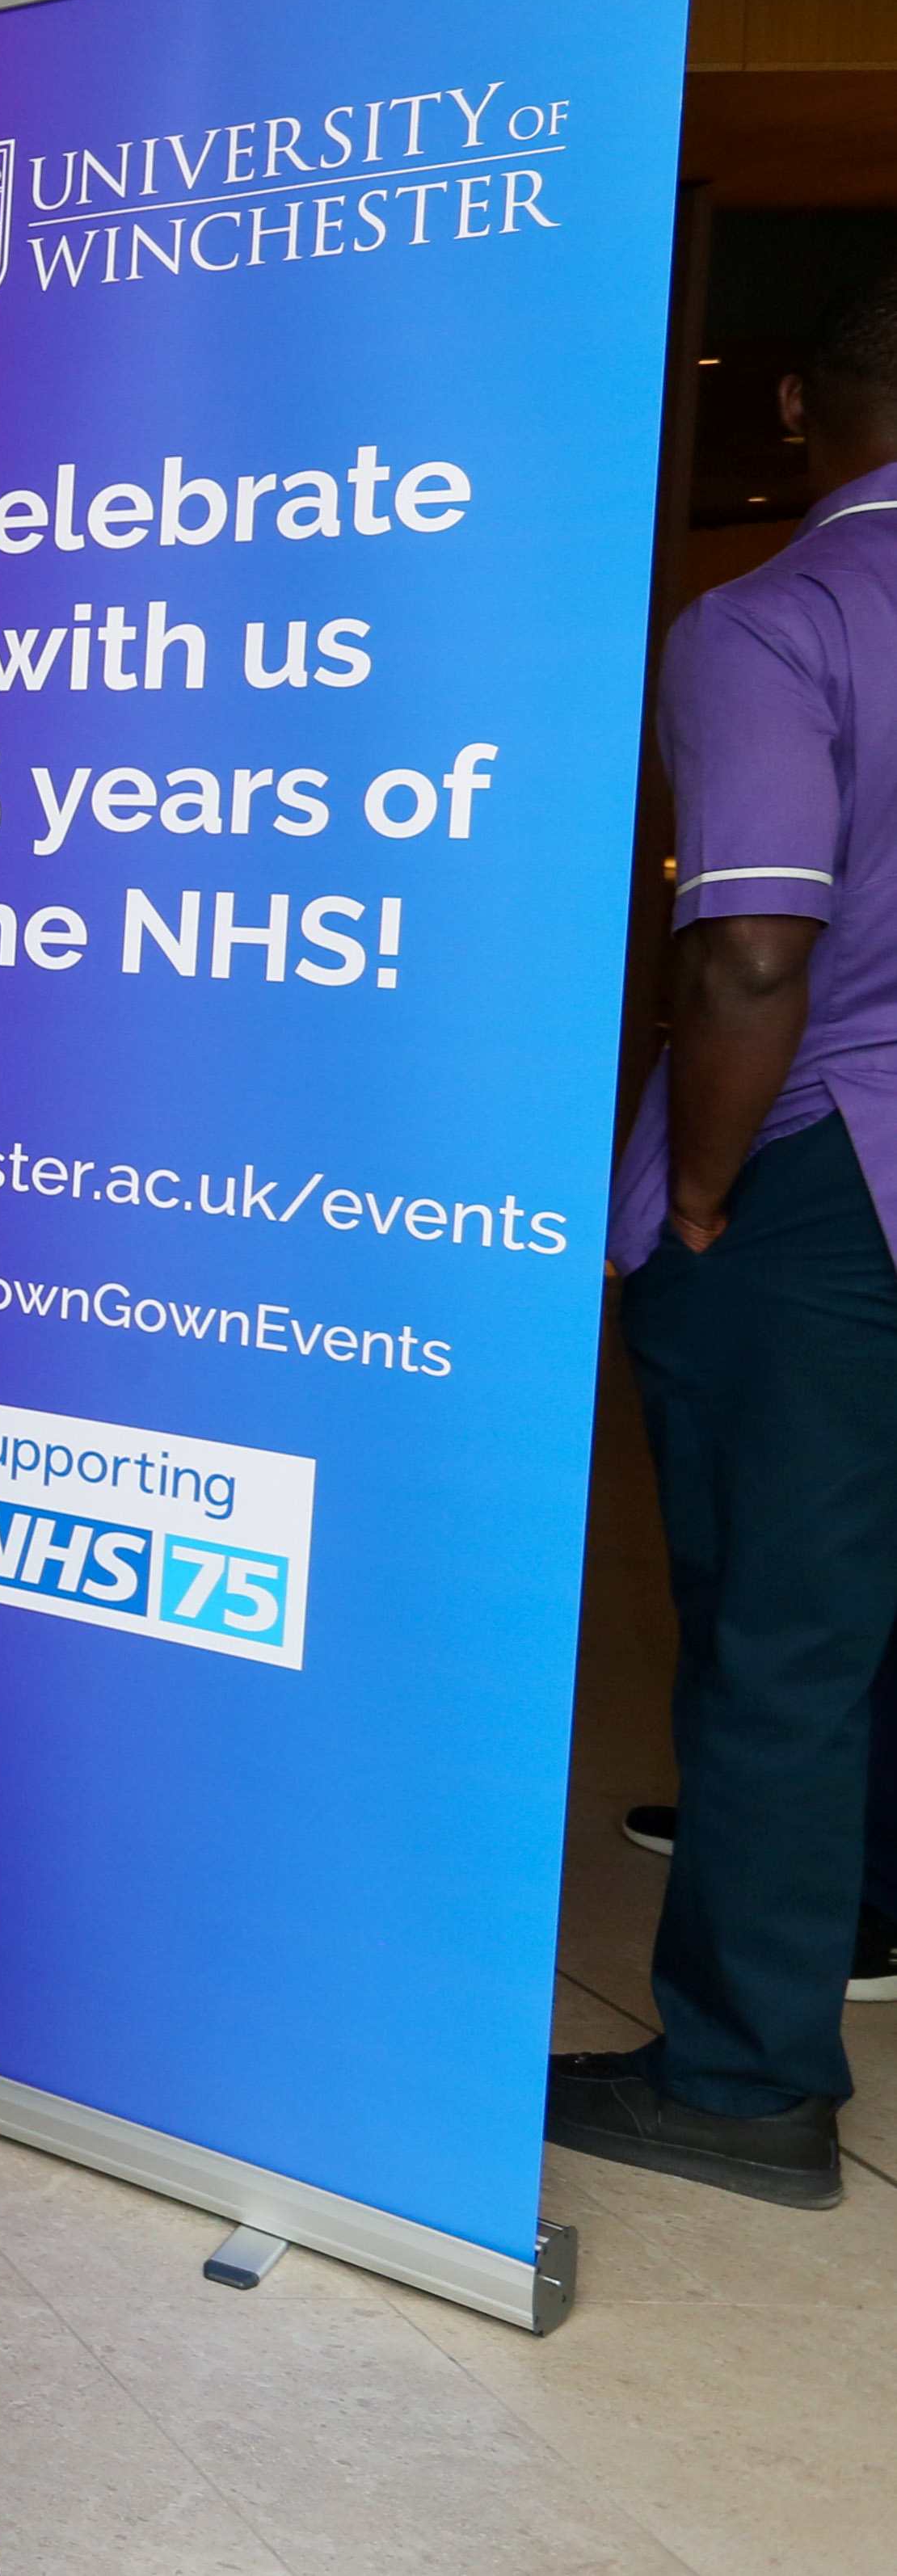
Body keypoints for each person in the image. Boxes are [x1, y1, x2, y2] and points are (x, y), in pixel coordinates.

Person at [552, 267, 897, 2212]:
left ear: (799, 416)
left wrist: (695, 1190)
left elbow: (755, 937)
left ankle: (751, 2071)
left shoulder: (781, 617)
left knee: (780, 1627)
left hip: (827, 1166)